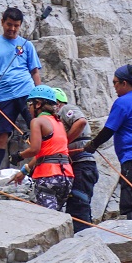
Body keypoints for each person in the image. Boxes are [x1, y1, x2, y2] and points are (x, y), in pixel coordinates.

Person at [84, 64, 132, 221]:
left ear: (124, 83)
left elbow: (109, 130)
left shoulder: (123, 102)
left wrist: (92, 145)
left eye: (115, 83)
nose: (114, 87)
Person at [0, 7, 43, 182]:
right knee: (1, 135)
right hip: (4, 94)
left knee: (39, 131)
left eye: (16, 25)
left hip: (27, 92)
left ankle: (40, 169)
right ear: (2, 22)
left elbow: (34, 71)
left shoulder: (26, 44)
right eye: (9, 24)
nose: (12, 29)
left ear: (20, 25)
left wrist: (41, 96)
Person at [21, 85, 74, 212]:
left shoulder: (37, 121)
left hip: (47, 176)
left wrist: (19, 155)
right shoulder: (59, 122)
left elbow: (34, 149)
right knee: (57, 214)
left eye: (30, 103)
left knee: (49, 217)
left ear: (38, 104)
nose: (28, 108)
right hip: (66, 176)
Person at [55, 88, 100, 231]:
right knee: (79, 204)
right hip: (81, 166)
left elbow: (80, 121)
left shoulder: (66, 109)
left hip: (82, 165)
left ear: (57, 102)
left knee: (78, 206)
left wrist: (63, 143)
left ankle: (83, 240)